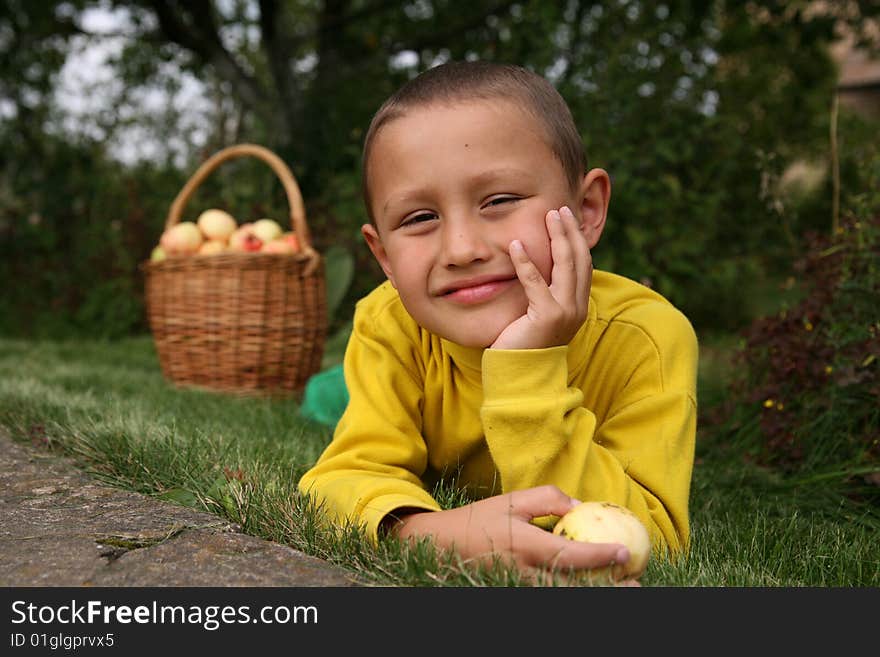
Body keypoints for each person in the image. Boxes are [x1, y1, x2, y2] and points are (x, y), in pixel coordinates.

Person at [298, 60, 698, 582]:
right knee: (328, 400)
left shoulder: (646, 339)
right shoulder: (390, 322)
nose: (461, 249)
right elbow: (338, 481)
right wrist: (427, 533)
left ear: (587, 208)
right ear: (385, 258)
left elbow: (652, 541)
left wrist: (526, 371)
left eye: (500, 201)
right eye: (420, 218)